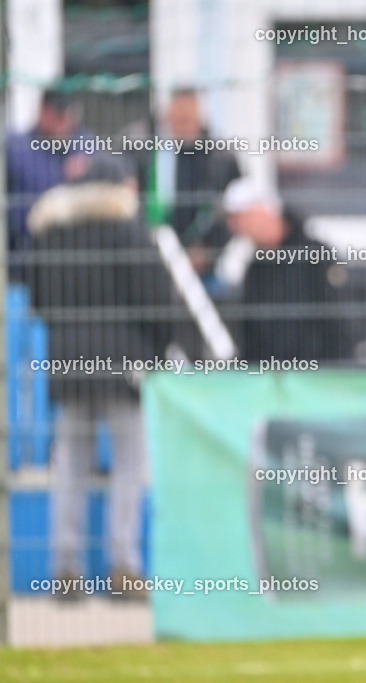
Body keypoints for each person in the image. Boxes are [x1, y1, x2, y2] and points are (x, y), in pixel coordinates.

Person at [23, 157, 185, 599]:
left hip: (68, 365)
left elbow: (38, 301)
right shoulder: (126, 229)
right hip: (123, 365)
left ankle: (65, 569)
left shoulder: (52, 233)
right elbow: (157, 298)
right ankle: (124, 567)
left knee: (71, 464)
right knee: (130, 464)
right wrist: (161, 345)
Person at [221, 178, 345, 363]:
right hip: (271, 383)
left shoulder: (313, 256)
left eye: (240, 217)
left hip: (315, 379)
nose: (235, 227)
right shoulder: (256, 268)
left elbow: (338, 323)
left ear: (262, 210)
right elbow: (251, 336)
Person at [130, 88, 241, 275]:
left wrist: (209, 249)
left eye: (189, 120)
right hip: (150, 253)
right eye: (179, 120)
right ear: (167, 116)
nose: (184, 127)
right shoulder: (140, 149)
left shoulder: (220, 159)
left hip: (201, 261)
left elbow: (233, 209)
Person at [6, 88, 92, 253]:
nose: (63, 121)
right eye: (58, 114)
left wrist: (88, 167)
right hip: (24, 250)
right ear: (43, 112)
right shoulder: (16, 147)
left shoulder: (84, 145)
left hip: (68, 251)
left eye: (67, 115)